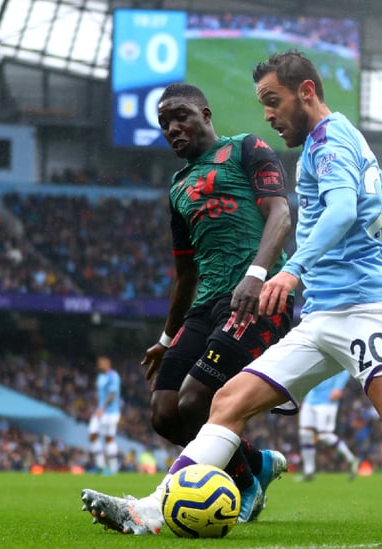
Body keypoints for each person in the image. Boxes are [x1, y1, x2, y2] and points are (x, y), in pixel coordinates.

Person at [79, 50, 382, 535]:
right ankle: (151, 510)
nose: (269, 115)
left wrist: (290, 272)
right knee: (227, 400)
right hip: (322, 315)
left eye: (273, 101)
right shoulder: (343, 141)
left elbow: (339, 212)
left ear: (306, 91)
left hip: (362, 306)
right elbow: (380, 190)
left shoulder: (328, 141)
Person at [137, 83, 293, 522]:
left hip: (258, 297)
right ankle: (256, 465)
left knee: (194, 401)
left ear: (205, 114)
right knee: (165, 413)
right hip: (205, 305)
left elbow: (280, 214)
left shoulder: (247, 148)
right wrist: (167, 337)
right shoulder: (178, 186)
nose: (172, 127)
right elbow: (185, 272)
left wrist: (255, 276)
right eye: (165, 122)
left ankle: (246, 486)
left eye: (180, 115)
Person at [297, 370, 360, 481]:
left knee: (324, 435)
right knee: (305, 434)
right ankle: (309, 472)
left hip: (327, 400)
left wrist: (338, 388)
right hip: (310, 399)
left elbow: (344, 370)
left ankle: (351, 459)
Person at [88, 355, 121, 475]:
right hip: (100, 411)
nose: (99, 365)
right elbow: (100, 395)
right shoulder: (100, 377)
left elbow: (112, 394)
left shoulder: (113, 376)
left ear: (108, 364)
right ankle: (100, 465)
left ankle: (113, 469)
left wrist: (103, 408)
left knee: (109, 438)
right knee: (92, 434)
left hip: (110, 412)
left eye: (101, 363)